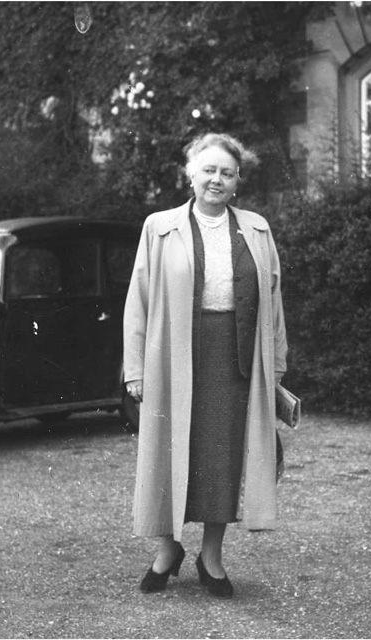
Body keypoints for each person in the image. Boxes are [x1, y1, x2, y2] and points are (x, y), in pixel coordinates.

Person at [124, 133, 287, 599]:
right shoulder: (159, 226)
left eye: (227, 173)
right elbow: (139, 299)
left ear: (238, 182)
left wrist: (275, 366)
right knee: (166, 454)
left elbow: (273, 301)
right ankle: (166, 550)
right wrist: (134, 368)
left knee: (222, 459)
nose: (217, 179)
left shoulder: (257, 228)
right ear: (190, 173)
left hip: (235, 358)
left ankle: (210, 557)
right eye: (209, 170)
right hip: (172, 357)